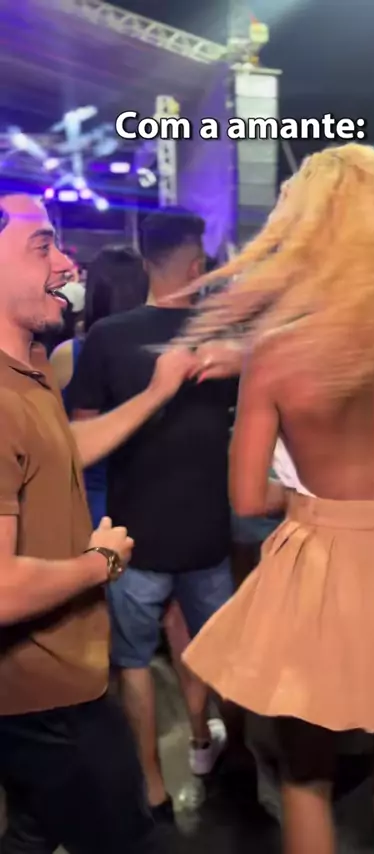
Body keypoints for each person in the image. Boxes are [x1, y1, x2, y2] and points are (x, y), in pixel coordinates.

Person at [173, 145, 374, 854]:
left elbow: (246, 496)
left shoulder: (275, 353)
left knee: (306, 781)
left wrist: (314, 499)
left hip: (316, 573)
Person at [0, 192, 196, 853]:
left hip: (54, 682)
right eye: (43, 247)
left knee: (32, 832)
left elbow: (62, 448)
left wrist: (158, 392)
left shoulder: (28, 367)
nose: (65, 263)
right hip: (44, 698)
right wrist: (101, 563)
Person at [68, 209, 237, 817]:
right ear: (198, 266)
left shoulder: (108, 337)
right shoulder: (227, 339)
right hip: (209, 532)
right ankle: (212, 751)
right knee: (219, 654)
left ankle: (152, 786)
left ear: (145, 262)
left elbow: (82, 440)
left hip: (133, 534)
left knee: (134, 663)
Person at [50, 245, 148, 526]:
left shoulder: (67, 356)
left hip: (89, 502)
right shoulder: (161, 354)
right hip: (147, 497)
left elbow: (51, 437)